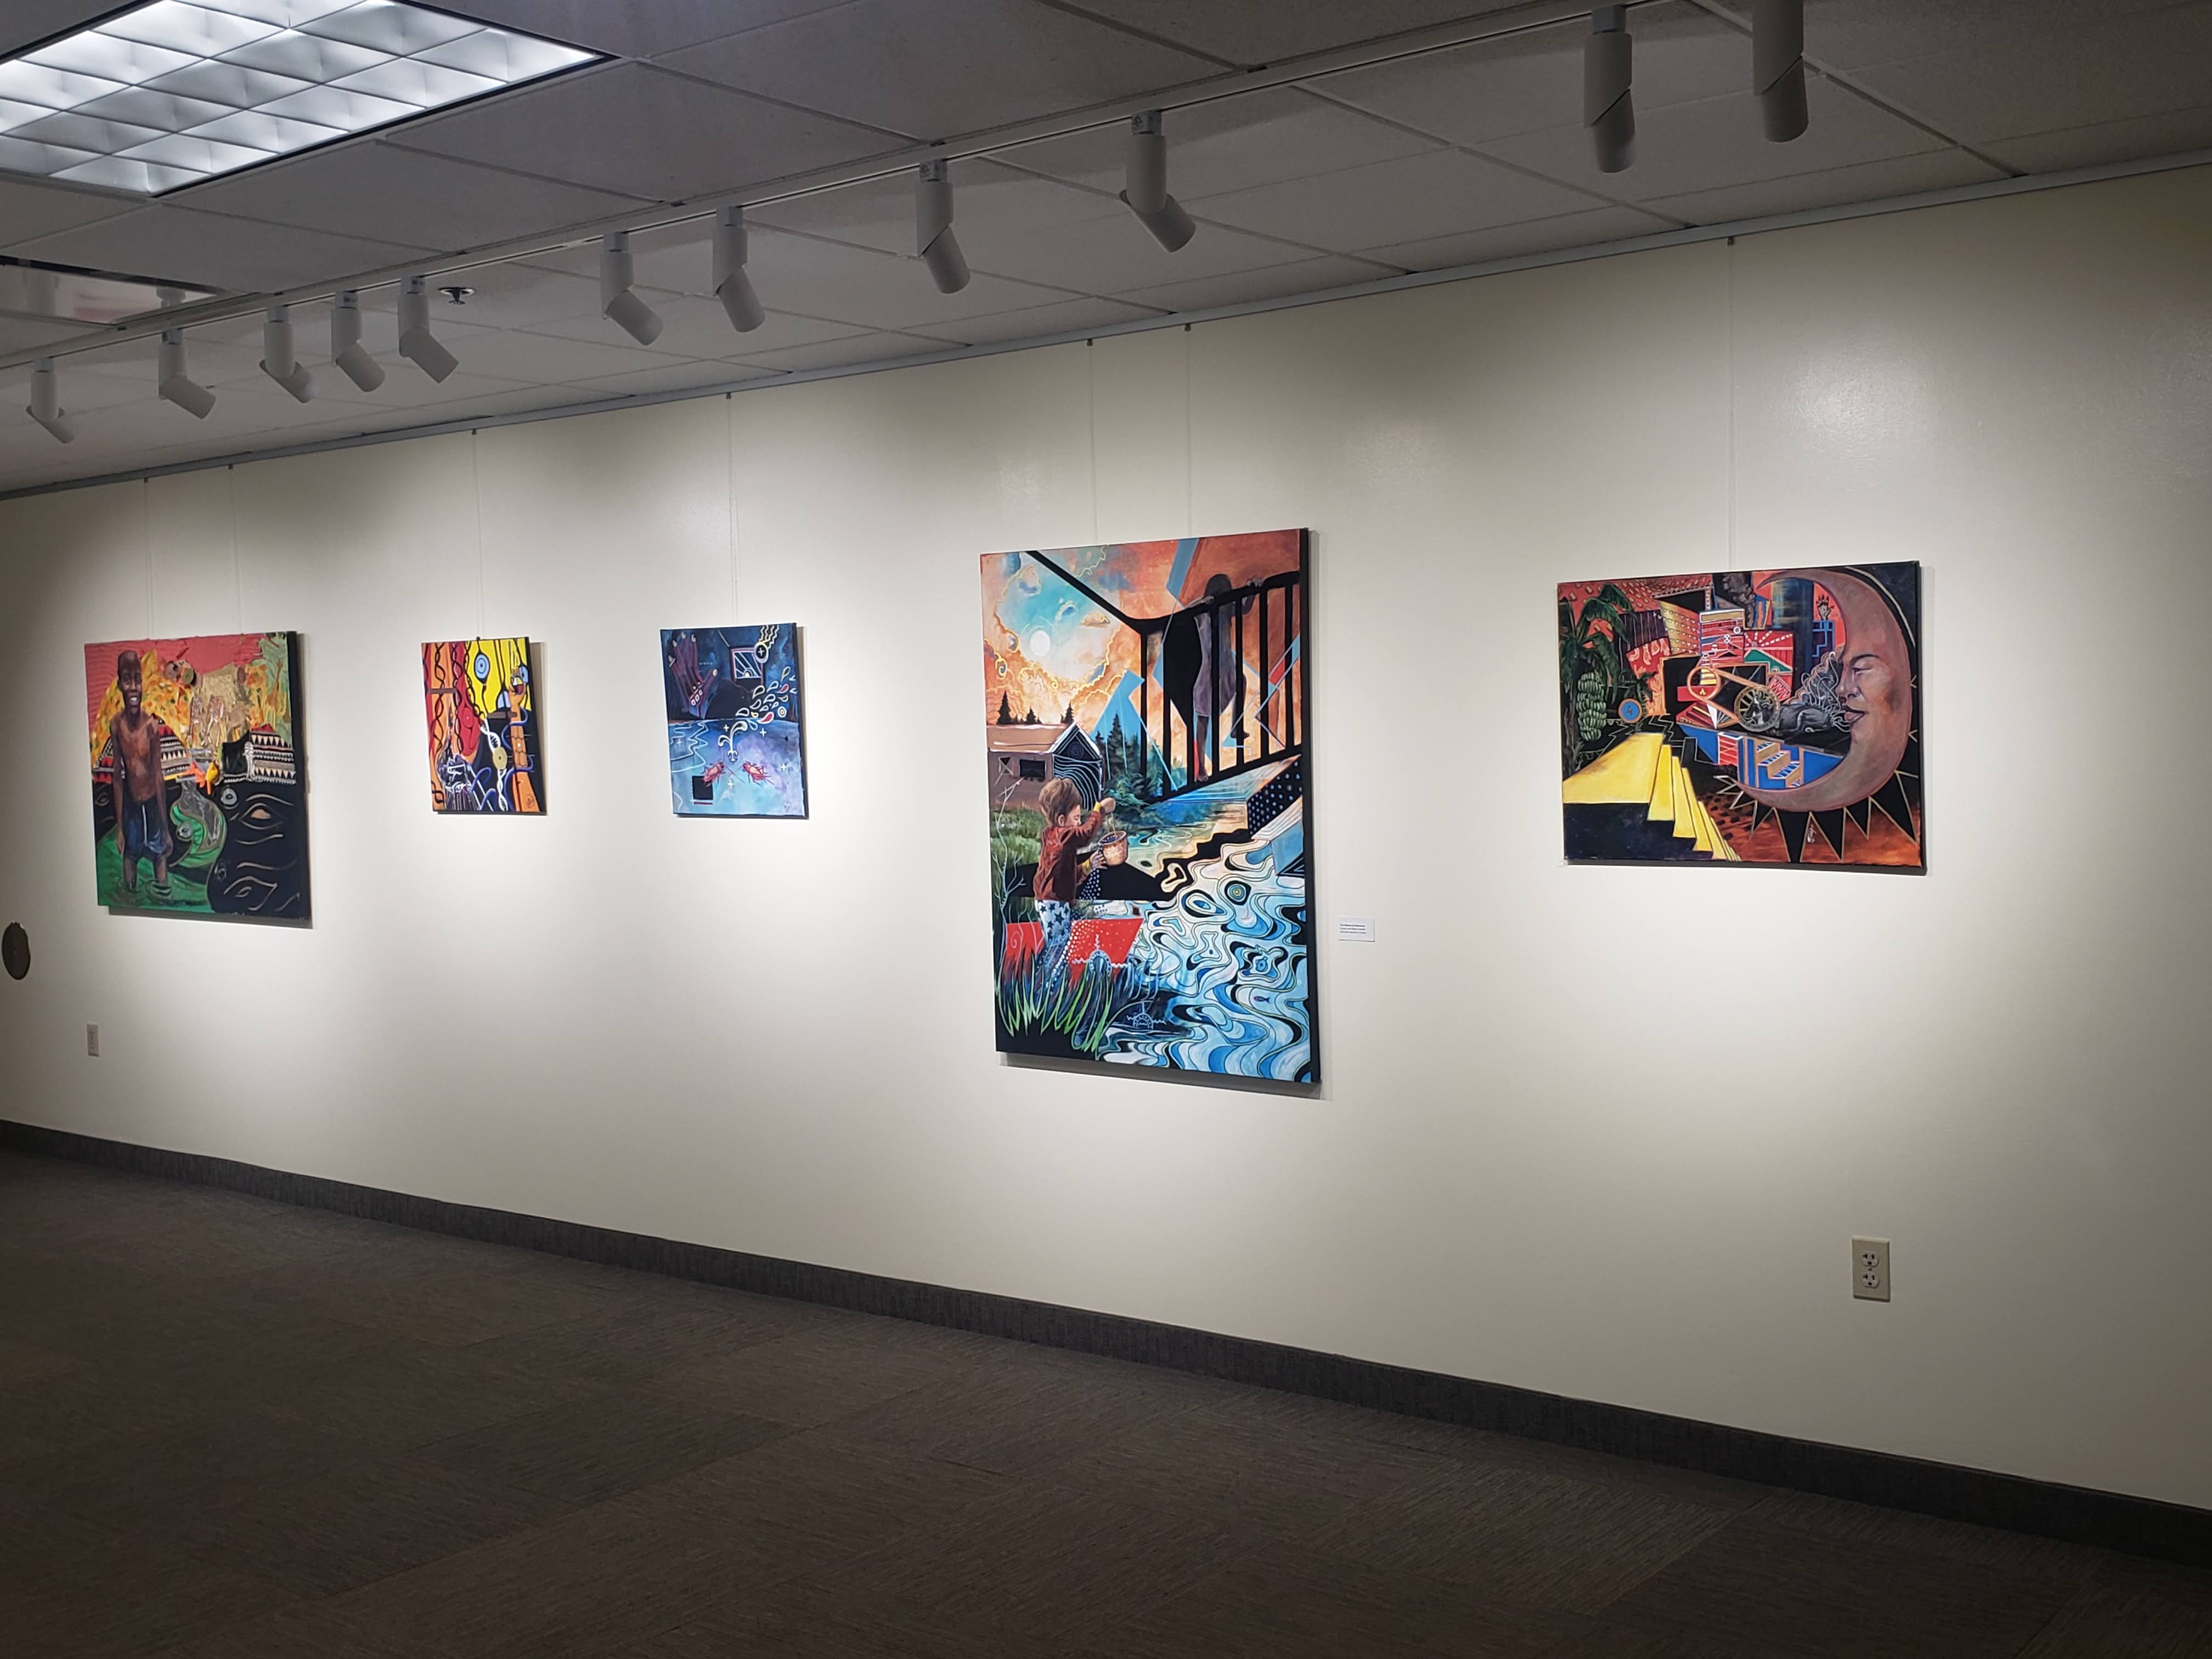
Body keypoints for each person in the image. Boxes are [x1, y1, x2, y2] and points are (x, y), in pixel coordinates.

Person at [1032, 777, 1116, 983]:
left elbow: (1066, 877)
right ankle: (1049, 985)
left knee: (1058, 944)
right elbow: (1086, 834)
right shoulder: (1062, 835)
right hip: (1054, 904)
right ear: (1062, 821)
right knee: (1059, 947)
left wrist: (1088, 866)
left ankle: (1047, 980)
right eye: (1077, 818)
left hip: (1049, 902)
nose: (1079, 822)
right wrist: (1099, 811)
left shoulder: (1056, 840)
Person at [107, 650, 173, 897]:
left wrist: (165, 828)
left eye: (137, 679)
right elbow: (117, 777)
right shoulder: (116, 726)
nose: (134, 687)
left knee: (160, 857)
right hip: (131, 808)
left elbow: (158, 777)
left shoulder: (151, 727)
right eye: (127, 680)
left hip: (153, 806)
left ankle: (162, 898)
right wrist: (120, 828)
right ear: (120, 685)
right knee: (129, 858)